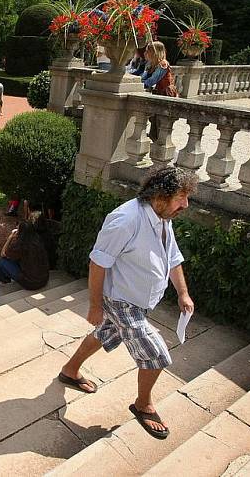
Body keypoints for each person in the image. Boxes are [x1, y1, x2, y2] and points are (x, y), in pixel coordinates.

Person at [58, 167, 197, 440]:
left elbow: (173, 257)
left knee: (104, 334)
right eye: (181, 197)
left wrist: (183, 292)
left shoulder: (163, 216)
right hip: (122, 301)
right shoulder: (125, 220)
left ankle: (69, 370)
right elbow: (98, 263)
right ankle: (143, 404)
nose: (186, 204)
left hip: (139, 301)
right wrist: (95, 306)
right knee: (157, 356)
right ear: (160, 196)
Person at [0, 220, 50, 290]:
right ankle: (3, 279)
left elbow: (3, 254)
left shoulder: (20, 246)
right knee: (8, 260)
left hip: (31, 283)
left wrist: (10, 238)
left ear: (20, 232)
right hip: (43, 279)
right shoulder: (38, 240)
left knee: (1, 261)